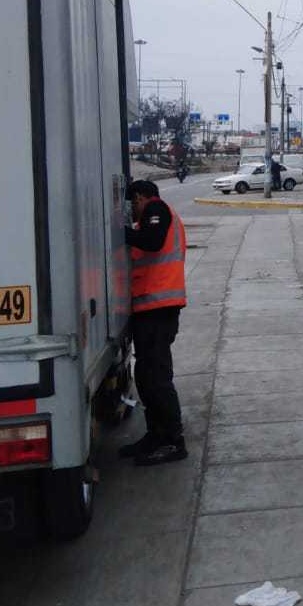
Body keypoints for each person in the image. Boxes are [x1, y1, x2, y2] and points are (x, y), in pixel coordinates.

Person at [119, 179, 188, 467]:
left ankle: (173, 441)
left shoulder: (156, 208)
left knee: (157, 378)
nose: (131, 211)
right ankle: (156, 435)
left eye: (130, 204)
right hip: (149, 309)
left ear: (139, 197)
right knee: (146, 377)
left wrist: (117, 232)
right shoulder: (148, 219)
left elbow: (152, 241)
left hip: (160, 309)